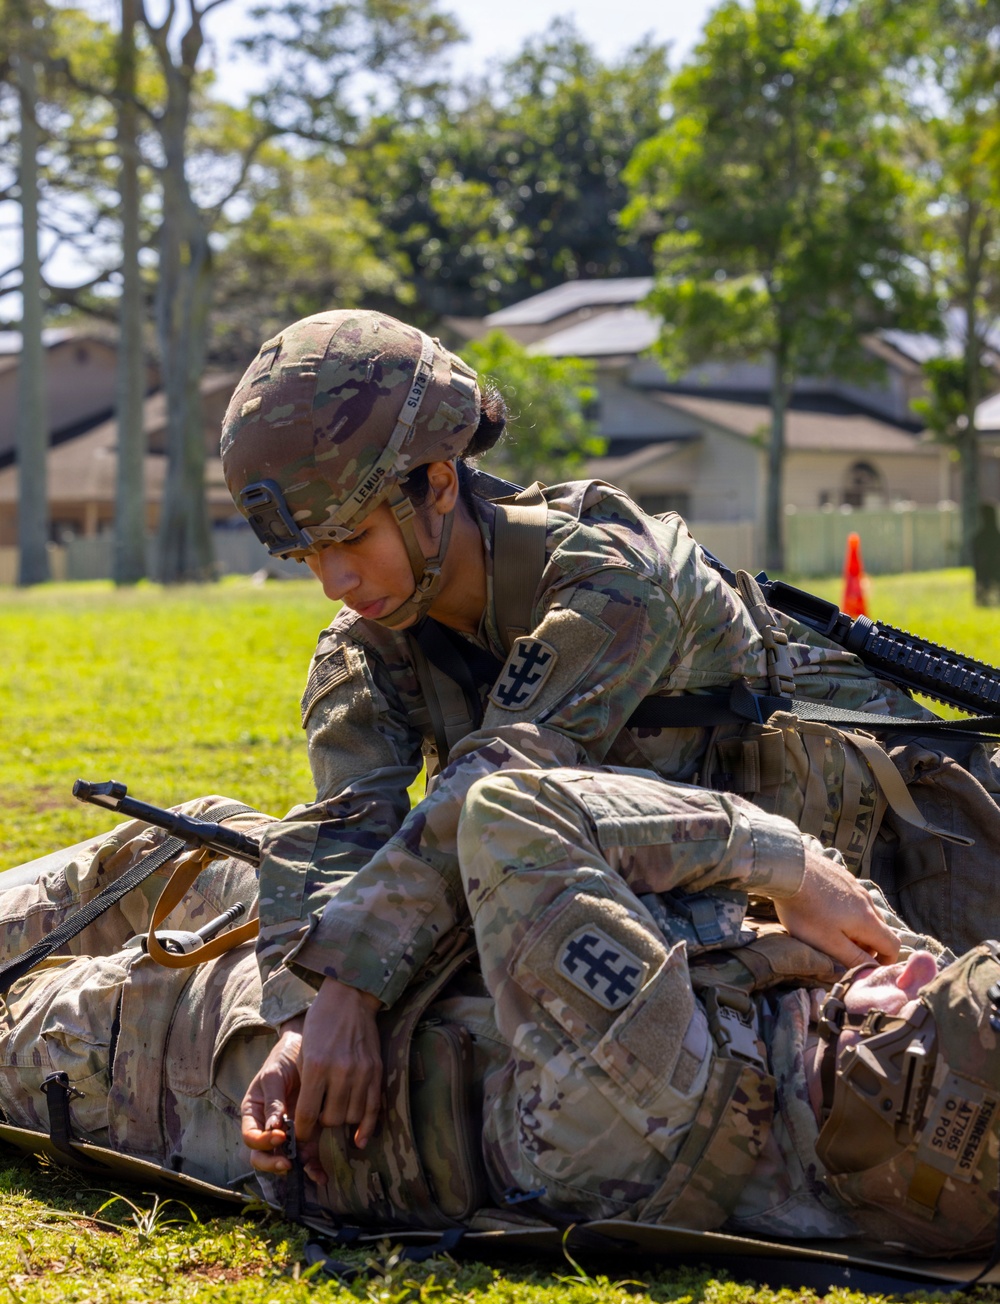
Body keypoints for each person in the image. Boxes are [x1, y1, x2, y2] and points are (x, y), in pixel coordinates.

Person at [220, 307, 1000, 1166]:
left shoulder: (613, 579)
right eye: (309, 558)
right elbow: (337, 827)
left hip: (927, 873)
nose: (335, 581)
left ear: (439, 483)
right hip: (741, 935)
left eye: (352, 537)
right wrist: (300, 1019)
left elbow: (496, 785)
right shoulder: (368, 644)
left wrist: (352, 987)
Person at [0, 779, 996, 1260]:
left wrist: (782, 861)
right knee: (136, 853)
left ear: (871, 1078)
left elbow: (507, 809)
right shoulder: (851, 1111)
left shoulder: (648, 1071)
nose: (912, 960)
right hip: (323, 910)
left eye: (913, 1000)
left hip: (177, 1039)